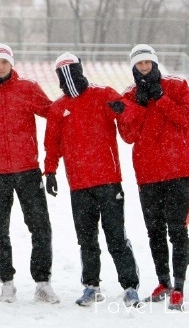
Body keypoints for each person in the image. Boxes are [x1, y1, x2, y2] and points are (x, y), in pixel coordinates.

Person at [43, 52, 142, 308]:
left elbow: (130, 117)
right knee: (86, 240)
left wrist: (123, 109)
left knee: (116, 236)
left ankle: (130, 286)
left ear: (81, 70)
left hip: (108, 180)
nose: (70, 79)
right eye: (63, 75)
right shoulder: (58, 108)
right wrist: (50, 171)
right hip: (78, 184)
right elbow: (52, 143)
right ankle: (91, 286)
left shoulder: (103, 94)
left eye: (73, 72)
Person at [0, 44, 59, 304]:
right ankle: (7, 282)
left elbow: (53, 113)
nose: (0, 66)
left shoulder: (27, 88)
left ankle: (42, 282)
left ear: (11, 63)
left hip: (28, 170)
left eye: (4, 61)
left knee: (40, 227)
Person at [117, 44, 189, 311]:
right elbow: (127, 136)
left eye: (147, 62)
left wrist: (161, 98)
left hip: (177, 170)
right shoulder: (129, 95)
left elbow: (188, 119)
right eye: (138, 64)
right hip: (148, 174)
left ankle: (179, 286)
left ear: (154, 63)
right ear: (133, 66)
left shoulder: (176, 85)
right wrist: (138, 108)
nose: (143, 67)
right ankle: (163, 282)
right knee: (155, 232)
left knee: (178, 230)